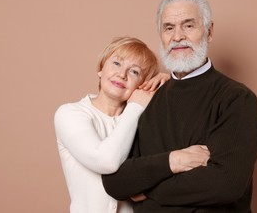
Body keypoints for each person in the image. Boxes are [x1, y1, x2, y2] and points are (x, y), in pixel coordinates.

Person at [102, 0, 257, 212]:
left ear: (209, 31)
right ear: (161, 34)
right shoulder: (145, 97)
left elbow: (226, 184)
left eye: (188, 26)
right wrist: (173, 161)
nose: (177, 37)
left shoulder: (237, 99)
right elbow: (116, 181)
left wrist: (147, 189)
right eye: (169, 27)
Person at [54, 36, 210, 213]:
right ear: (100, 68)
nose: (122, 74)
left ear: (143, 84)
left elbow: (163, 174)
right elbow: (106, 161)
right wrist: (136, 105)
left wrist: (171, 86)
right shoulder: (70, 113)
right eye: (117, 63)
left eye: (134, 72)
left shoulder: (146, 121)